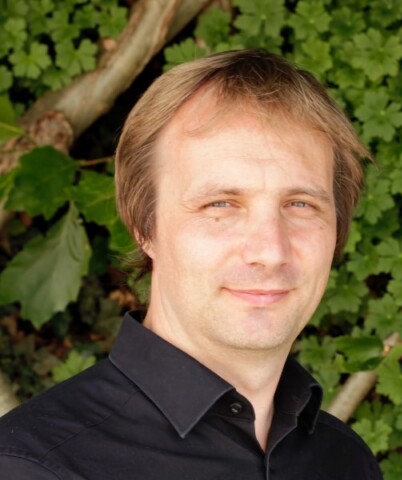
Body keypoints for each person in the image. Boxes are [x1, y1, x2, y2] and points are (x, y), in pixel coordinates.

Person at [0, 49, 382, 479]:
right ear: (144, 227)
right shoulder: (32, 468)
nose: (270, 250)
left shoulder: (345, 461)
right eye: (220, 204)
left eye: (300, 204)